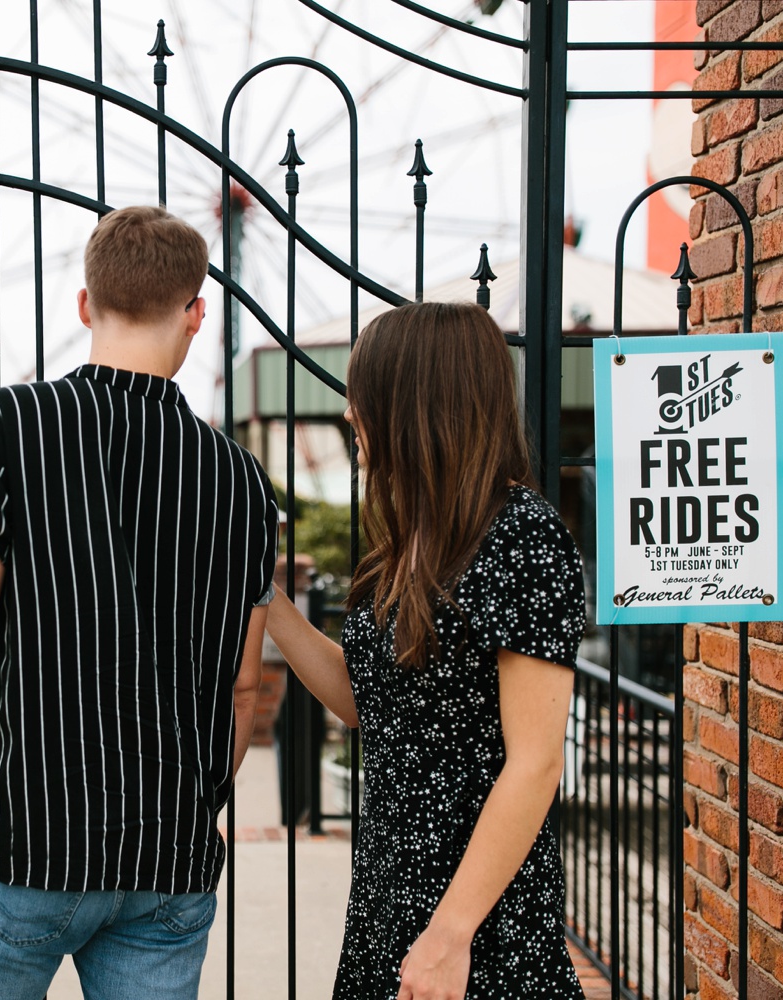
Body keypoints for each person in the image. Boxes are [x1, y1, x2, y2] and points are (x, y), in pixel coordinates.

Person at [0, 205, 280, 999]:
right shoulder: (241, 482)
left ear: (85, 305)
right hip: (170, 862)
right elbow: (241, 688)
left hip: (25, 843)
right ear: (197, 313)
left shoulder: (4, 426)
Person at [266, 300, 587, 999]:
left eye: (364, 395)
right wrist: (267, 597)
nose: (351, 415)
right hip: (391, 902)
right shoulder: (414, 545)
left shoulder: (522, 541)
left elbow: (534, 763)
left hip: (474, 926)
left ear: (414, 405)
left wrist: (449, 934)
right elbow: (365, 701)